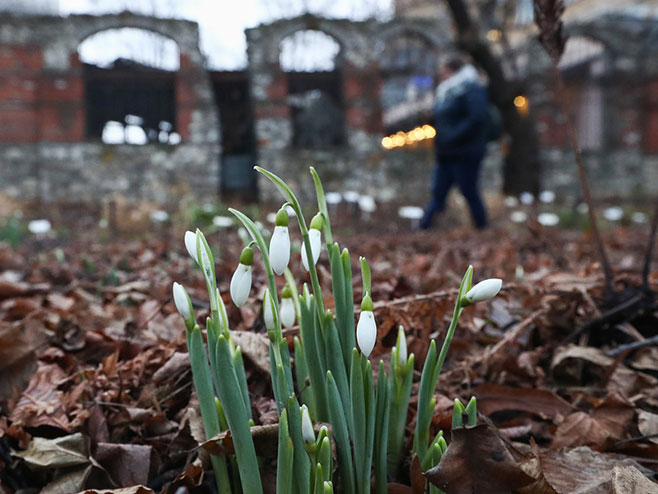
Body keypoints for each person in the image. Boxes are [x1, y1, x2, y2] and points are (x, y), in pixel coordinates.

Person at [420, 57, 490, 230]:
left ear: (453, 71)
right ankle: (424, 230)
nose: (442, 75)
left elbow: (478, 117)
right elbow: (447, 119)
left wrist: (452, 135)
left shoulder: (471, 88)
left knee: (469, 191)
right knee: (438, 192)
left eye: (444, 71)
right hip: (446, 152)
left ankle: (482, 228)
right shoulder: (446, 91)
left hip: (465, 152)